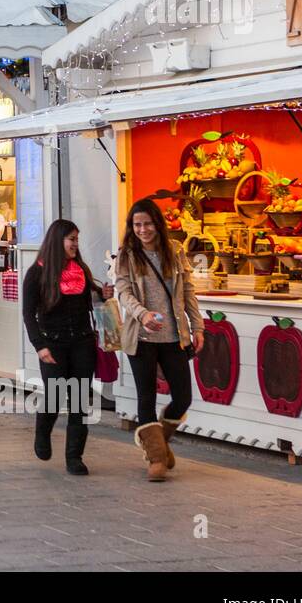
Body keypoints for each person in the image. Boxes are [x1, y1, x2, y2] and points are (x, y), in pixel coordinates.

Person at [114, 198, 203, 481]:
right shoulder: (127, 255)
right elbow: (124, 292)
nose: (143, 230)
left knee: (183, 397)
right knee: (146, 397)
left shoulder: (175, 251)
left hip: (174, 336)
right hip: (141, 336)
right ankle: (156, 460)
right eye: (137, 225)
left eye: (148, 223)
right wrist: (142, 314)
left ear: (158, 224)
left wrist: (197, 327)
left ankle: (160, 445)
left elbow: (188, 291)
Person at [22, 220, 111, 476]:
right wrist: (39, 346)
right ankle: (43, 430)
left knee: (81, 401)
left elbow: (93, 298)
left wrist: (103, 294)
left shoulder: (80, 269)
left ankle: (75, 457)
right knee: (55, 396)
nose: (75, 244)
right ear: (57, 240)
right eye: (71, 239)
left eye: (77, 239)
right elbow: (29, 314)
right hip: (53, 344)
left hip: (82, 343)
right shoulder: (37, 273)